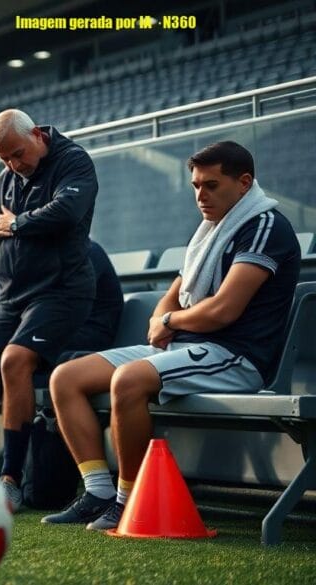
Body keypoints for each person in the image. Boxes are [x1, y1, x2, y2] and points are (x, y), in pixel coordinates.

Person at [44, 141, 300, 530]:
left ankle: (128, 502)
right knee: (66, 377)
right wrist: (165, 319)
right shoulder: (209, 229)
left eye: (211, 185)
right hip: (192, 348)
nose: (201, 195)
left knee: (128, 380)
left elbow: (223, 310)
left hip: (236, 356)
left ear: (244, 182)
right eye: (196, 185)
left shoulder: (266, 226)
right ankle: (96, 492)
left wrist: (170, 324)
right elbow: (173, 295)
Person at [0, 109, 99, 511]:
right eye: (4, 159)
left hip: (60, 292)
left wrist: (15, 224)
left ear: (37, 136)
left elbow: (65, 213)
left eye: (16, 154)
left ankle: (10, 478)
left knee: (14, 361)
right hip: (13, 296)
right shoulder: (9, 176)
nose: (13, 165)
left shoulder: (73, 160)